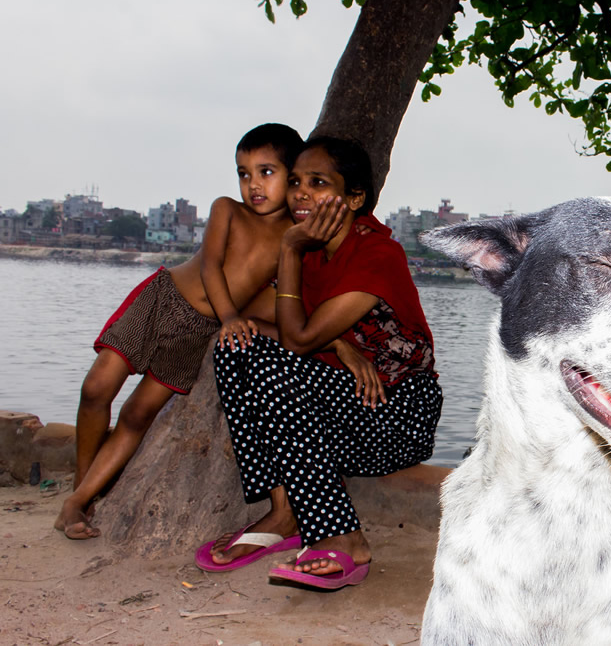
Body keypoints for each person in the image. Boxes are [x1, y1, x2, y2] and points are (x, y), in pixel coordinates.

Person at [196, 137, 442, 590]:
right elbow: (256, 319)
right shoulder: (312, 255)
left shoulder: (378, 255)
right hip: (340, 412)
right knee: (234, 347)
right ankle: (285, 512)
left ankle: (345, 539)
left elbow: (300, 338)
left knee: (276, 367)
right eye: (295, 182)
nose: (301, 194)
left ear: (354, 198)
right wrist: (343, 349)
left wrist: (289, 250)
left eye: (318, 183)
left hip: (395, 418)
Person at [55, 123, 303, 539]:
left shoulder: (292, 238)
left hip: (197, 331)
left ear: (291, 175)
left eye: (266, 172)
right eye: (244, 173)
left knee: (138, 414)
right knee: (97, 387)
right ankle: (80, 494)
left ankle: (79, 502)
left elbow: (277, 301)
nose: (253, 185)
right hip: (163, 298)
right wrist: (229, 318)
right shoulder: (228, 209)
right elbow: (210, 267)